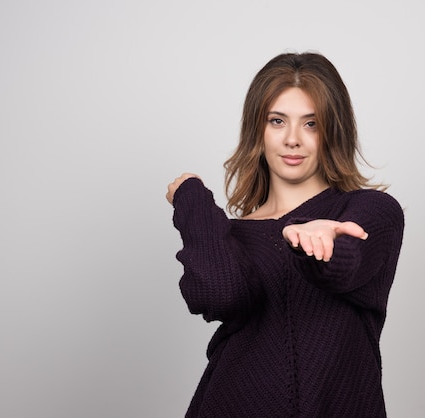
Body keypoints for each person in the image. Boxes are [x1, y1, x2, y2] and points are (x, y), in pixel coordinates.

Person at [166, 51, 404, 418]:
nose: (293, 139)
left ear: (333, 132)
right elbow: (221, 293)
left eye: (311, 124)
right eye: (277, 121)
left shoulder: (369, 211)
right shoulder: (228, 236)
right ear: (257, 131)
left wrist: (320, 239)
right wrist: (191, 199)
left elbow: (345, 265)